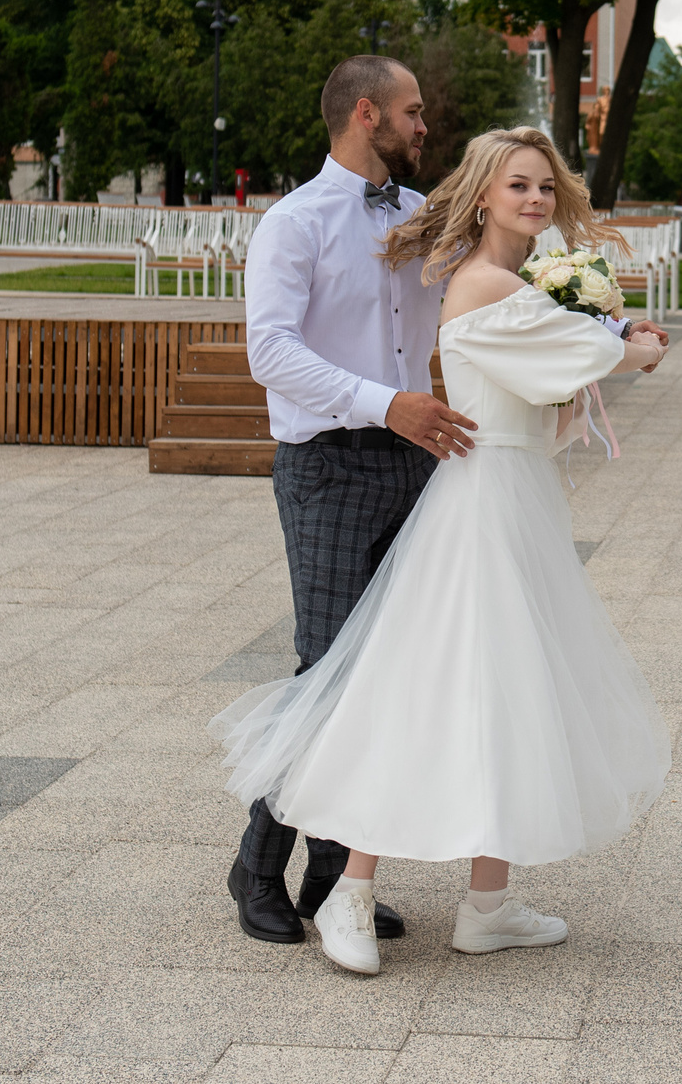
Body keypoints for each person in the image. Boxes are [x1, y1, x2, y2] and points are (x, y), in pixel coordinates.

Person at [212, 126, 673, 976]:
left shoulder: (522, 287)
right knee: (417, 687)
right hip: (476, 508)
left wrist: (604, 342)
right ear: (485, 196)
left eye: (544, 187)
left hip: (516, 496)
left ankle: (488, 904)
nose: (534, 199)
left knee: (509, 691)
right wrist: (627, 341)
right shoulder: (492, 285)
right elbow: (588, 352)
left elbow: (550, 407)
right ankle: (348, 888)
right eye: (517, 186)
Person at [225, 55, 477, 949]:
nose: (423, 125)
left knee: (384, 672)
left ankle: (335, 882)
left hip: (413, 466)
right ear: (365, 114)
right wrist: (387, 402)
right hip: (327, 466)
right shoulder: (293, 224)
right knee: (326, 671)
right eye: (411, 112)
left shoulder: (419, 220)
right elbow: (272, 353)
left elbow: (498, 299)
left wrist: (604, 326)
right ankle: (259, 865)